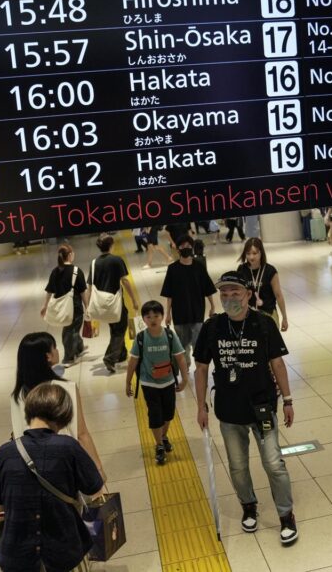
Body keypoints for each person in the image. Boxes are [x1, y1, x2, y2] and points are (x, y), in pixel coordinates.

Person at [194, 272, 298, 546]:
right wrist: (200, 406)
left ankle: (286, 515)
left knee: (274, 463)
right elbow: (201, 368)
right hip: (229, 412)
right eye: (224, 295)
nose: (229, 300)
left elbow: (277, 364)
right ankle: (248, 505)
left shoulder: (264, 324)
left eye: (235, 294)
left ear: (248, 294)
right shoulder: (212, 328)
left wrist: (287, 400)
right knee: (238, 467)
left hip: (263, 406)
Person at [0, 383, 104, 572]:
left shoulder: (5, 452)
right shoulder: (69, 447)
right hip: (64, 552)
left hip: (17, 556)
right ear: (63, 415)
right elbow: (95, 490)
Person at [10, 332, 106, 480]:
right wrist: (98, 469)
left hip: (32, 469)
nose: (57, 351)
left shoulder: (17, 396)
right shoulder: (65, 389)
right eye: (54, 347)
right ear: (48, 356)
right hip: (64, 463)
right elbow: (81, 434)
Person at [125, 301, 188, 465]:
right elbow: (133, 361)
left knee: (168, 414)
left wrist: (185, 378)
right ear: (144, 319)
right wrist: (127, 382)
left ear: (162, 317)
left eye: (156, 315)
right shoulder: (141, 338)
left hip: (168, 382)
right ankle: (159, 445)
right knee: (155, 415)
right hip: (149, 384)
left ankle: (164, 436)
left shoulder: (169, 335)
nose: (152, 319)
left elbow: (180, 357)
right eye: (148, 316)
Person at [160, 234, 217, 368]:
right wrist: (168, 314)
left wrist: (213, 306)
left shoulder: (199, 267)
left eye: (188, 246)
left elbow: (207, 288)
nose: (185, 248)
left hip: (197, 312)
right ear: (177, 249)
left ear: (192, 247)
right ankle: (185, 369)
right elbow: (169, 294)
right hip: (179, 314)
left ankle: (199, 370)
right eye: (182, 246)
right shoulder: (172, 269)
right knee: (182, 345)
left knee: (198, 344)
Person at [88, 234, 139, 374]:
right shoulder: (116, 260)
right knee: (120, 328)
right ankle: (110, 358)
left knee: (114, 327)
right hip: (116, 302)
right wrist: (134, 300)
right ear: (111, 245)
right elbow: (125, 281)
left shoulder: (94, 263)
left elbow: (90, 287)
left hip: (102, 304)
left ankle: (121, 354)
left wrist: (87, 306)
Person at [41, 244, 88, 364]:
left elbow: (49, 290)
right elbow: (83, 292)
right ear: (70, 255)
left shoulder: (55, 271)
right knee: (70, 332)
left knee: (71, 330)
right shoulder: (77, 271)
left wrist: (45, 306)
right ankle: (69, 358)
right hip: (75, 308)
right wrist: (87, 306)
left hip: (61, 308)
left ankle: (79, 348)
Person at [236, 238, 288, 331]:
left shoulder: (270, 271)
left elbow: (278, 295)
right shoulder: (242, 270)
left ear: (261, 252)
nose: (251, 257)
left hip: (268, 314)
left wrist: (284, 317)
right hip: (248, 315)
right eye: (248, 254)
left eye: (255, 253)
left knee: (270, 344)